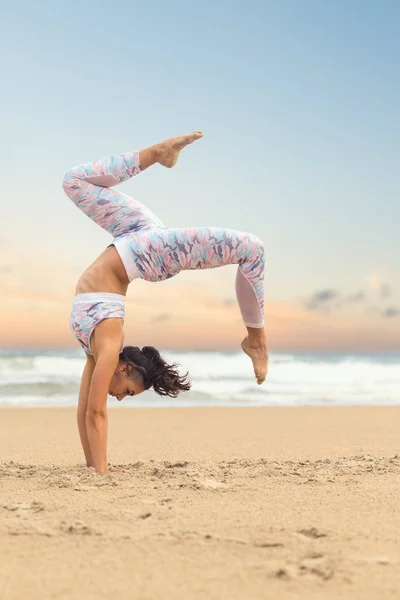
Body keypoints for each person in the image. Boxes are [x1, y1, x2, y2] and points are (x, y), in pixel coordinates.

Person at [62, 132, 268, 474]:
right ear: (125, 369)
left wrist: (93, 470)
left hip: (135, 238)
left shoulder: (97, 347)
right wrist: (101, 474)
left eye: (126, 396)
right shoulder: (110, 344)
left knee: (73, 181)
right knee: (251, 248)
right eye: (128, 392)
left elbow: (86, 410)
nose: (120, 397)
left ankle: (158, 154)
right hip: (149, 252)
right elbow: (96, 413)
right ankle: (256, 339)